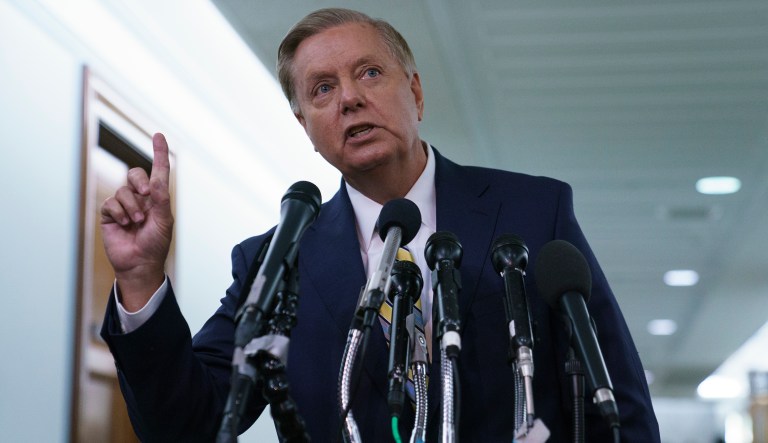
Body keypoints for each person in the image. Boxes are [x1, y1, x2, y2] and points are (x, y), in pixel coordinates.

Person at [100, 7, 660, 442]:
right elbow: (187, 425)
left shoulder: (533, 211)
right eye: (322, 89)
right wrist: (142, 279)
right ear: (305, 124)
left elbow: (617, 399)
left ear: (414, 91)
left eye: (369, 72)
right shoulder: (275, 262)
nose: (349, 98)